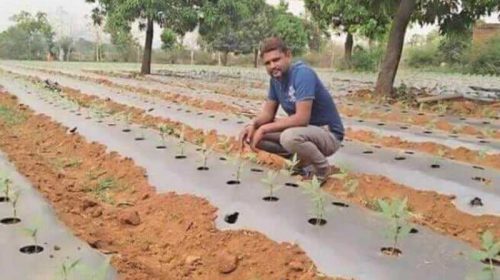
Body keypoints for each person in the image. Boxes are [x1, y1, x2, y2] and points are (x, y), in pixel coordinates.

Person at [239, 37, 344, 185]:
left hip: (328, 134)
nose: (272, 65)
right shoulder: (275, 80)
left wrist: (264, 128)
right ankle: (301, 162)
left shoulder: (302, 74)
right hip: (304, 132)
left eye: (276, 60)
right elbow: (268, 114)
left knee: (288, 137)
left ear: (288, 55)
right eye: (268, 63)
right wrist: (253, 125)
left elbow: (302, 118)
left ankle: (322, 169)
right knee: (255, 135)